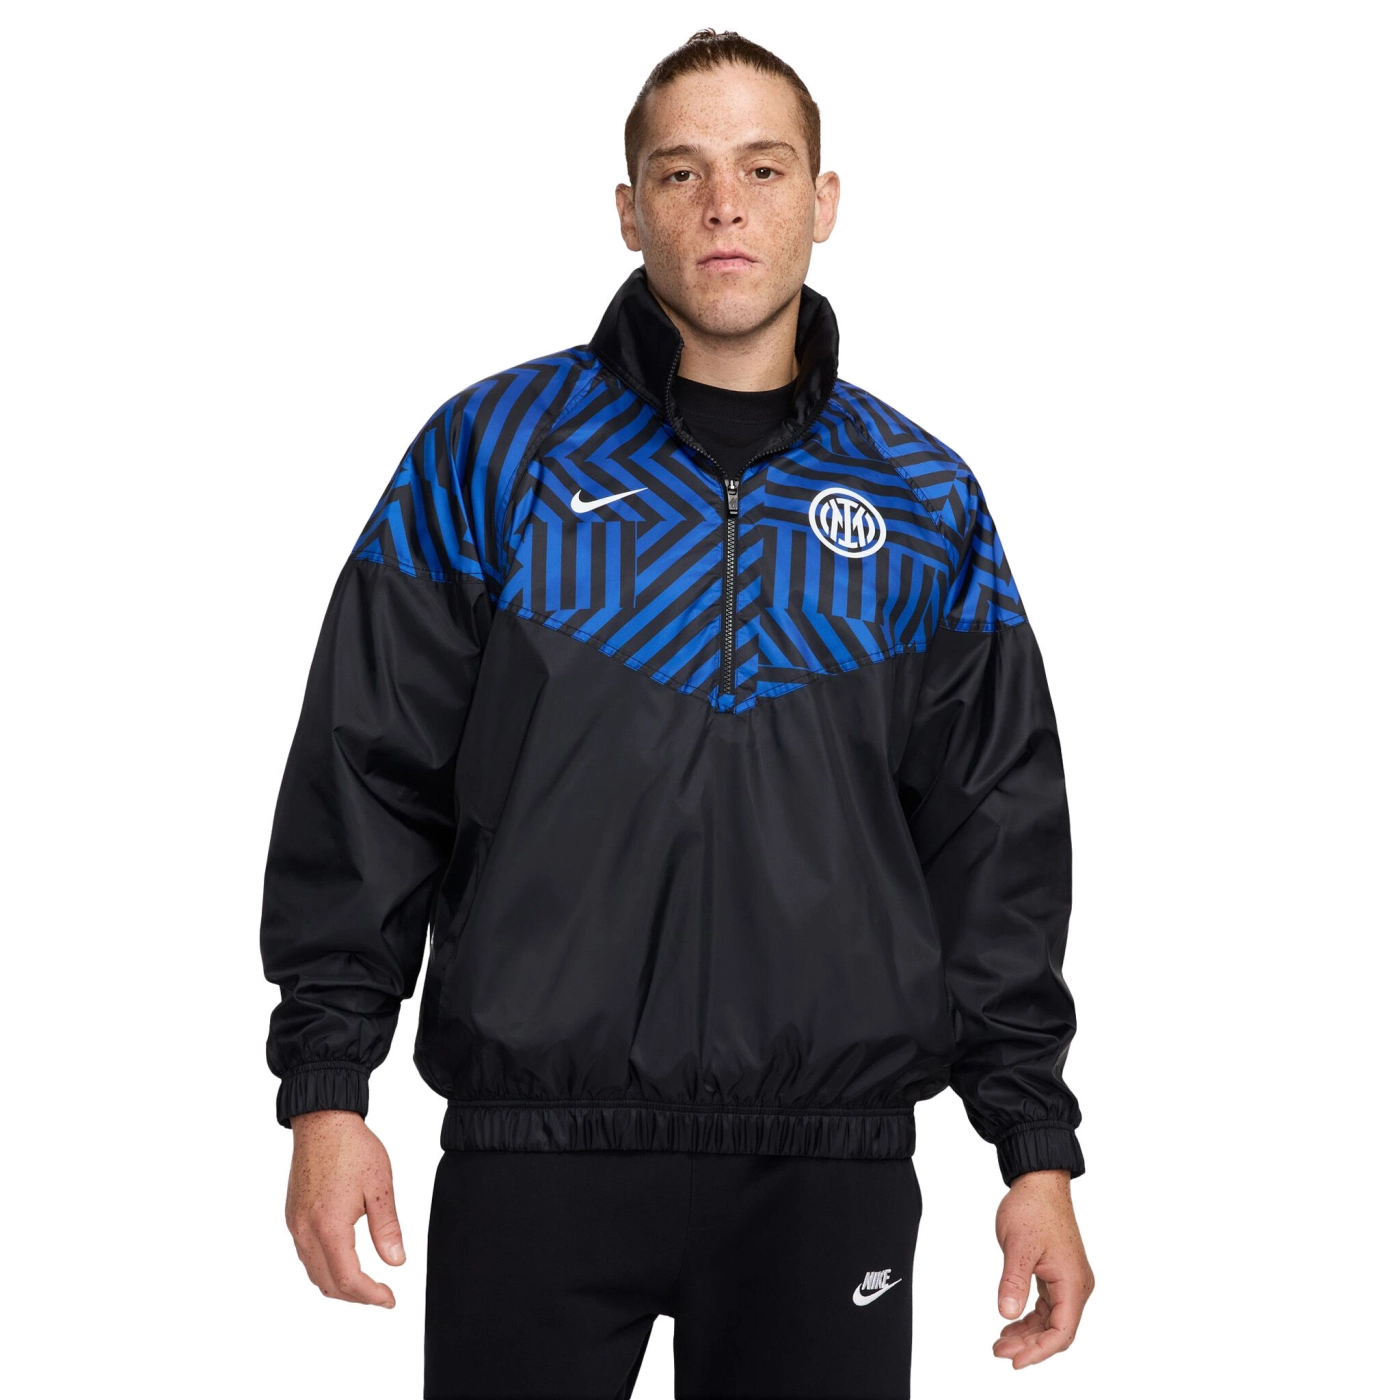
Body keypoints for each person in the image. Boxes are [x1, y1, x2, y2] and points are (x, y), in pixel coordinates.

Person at [260, 28, 1095, 1398]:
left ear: (824, 201)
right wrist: (327, 1089)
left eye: (763, 169)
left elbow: (992, 837)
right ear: (628, 207)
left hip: (824, 1170)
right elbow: (367, 774)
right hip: (535, 1152)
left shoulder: (921, 500)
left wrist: (1035, 1152)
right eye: (681, 171)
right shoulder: (493, 455)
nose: (723, 206)